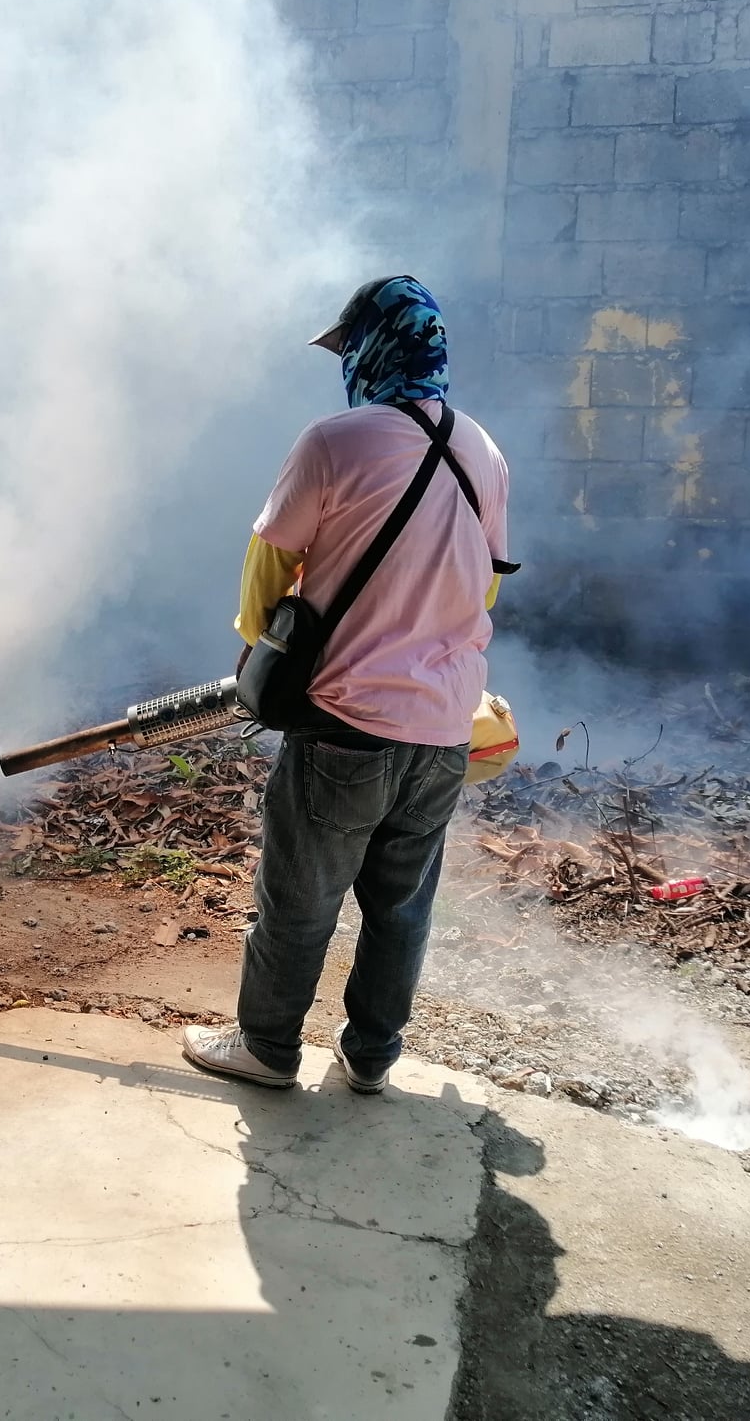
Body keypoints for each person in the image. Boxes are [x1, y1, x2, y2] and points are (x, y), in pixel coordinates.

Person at [183, 276, 510, 1094]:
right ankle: (371, 1058)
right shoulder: (484, 449)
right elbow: (487, 586)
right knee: (400, 906)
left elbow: (271, 557)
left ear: (369, 346)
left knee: (300, 896)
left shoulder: (335, 440)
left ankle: (266, 1046)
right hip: (444, 729)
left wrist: (256, 649)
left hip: (343, 720)